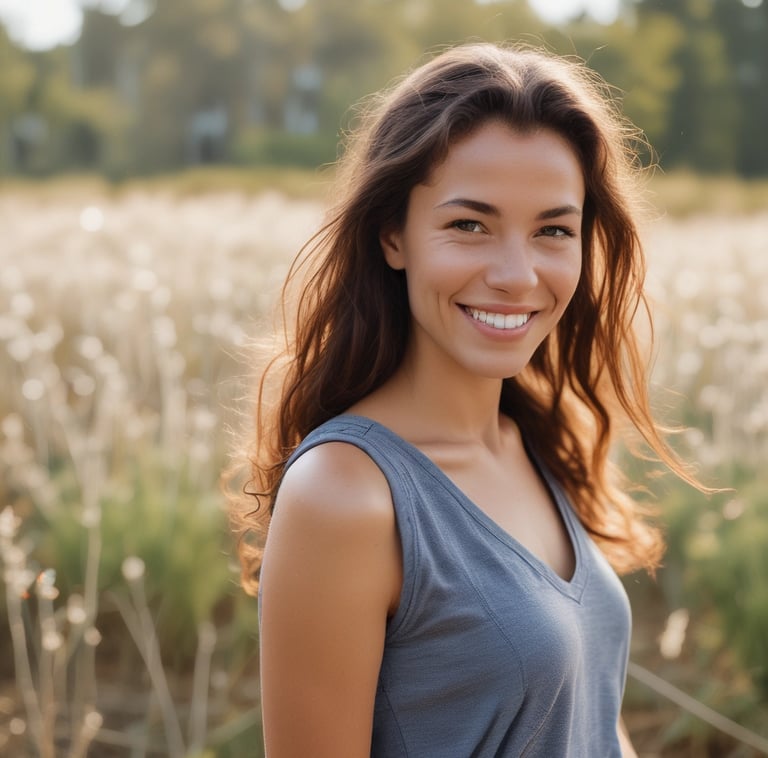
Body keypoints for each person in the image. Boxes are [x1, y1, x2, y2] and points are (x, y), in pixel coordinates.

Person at [229, 41, 697, 757]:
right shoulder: (347, 496)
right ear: (394, 235)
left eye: (553, 231)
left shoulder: (532, 442)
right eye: (469, 225)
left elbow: (589, 727)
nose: (517, 274)